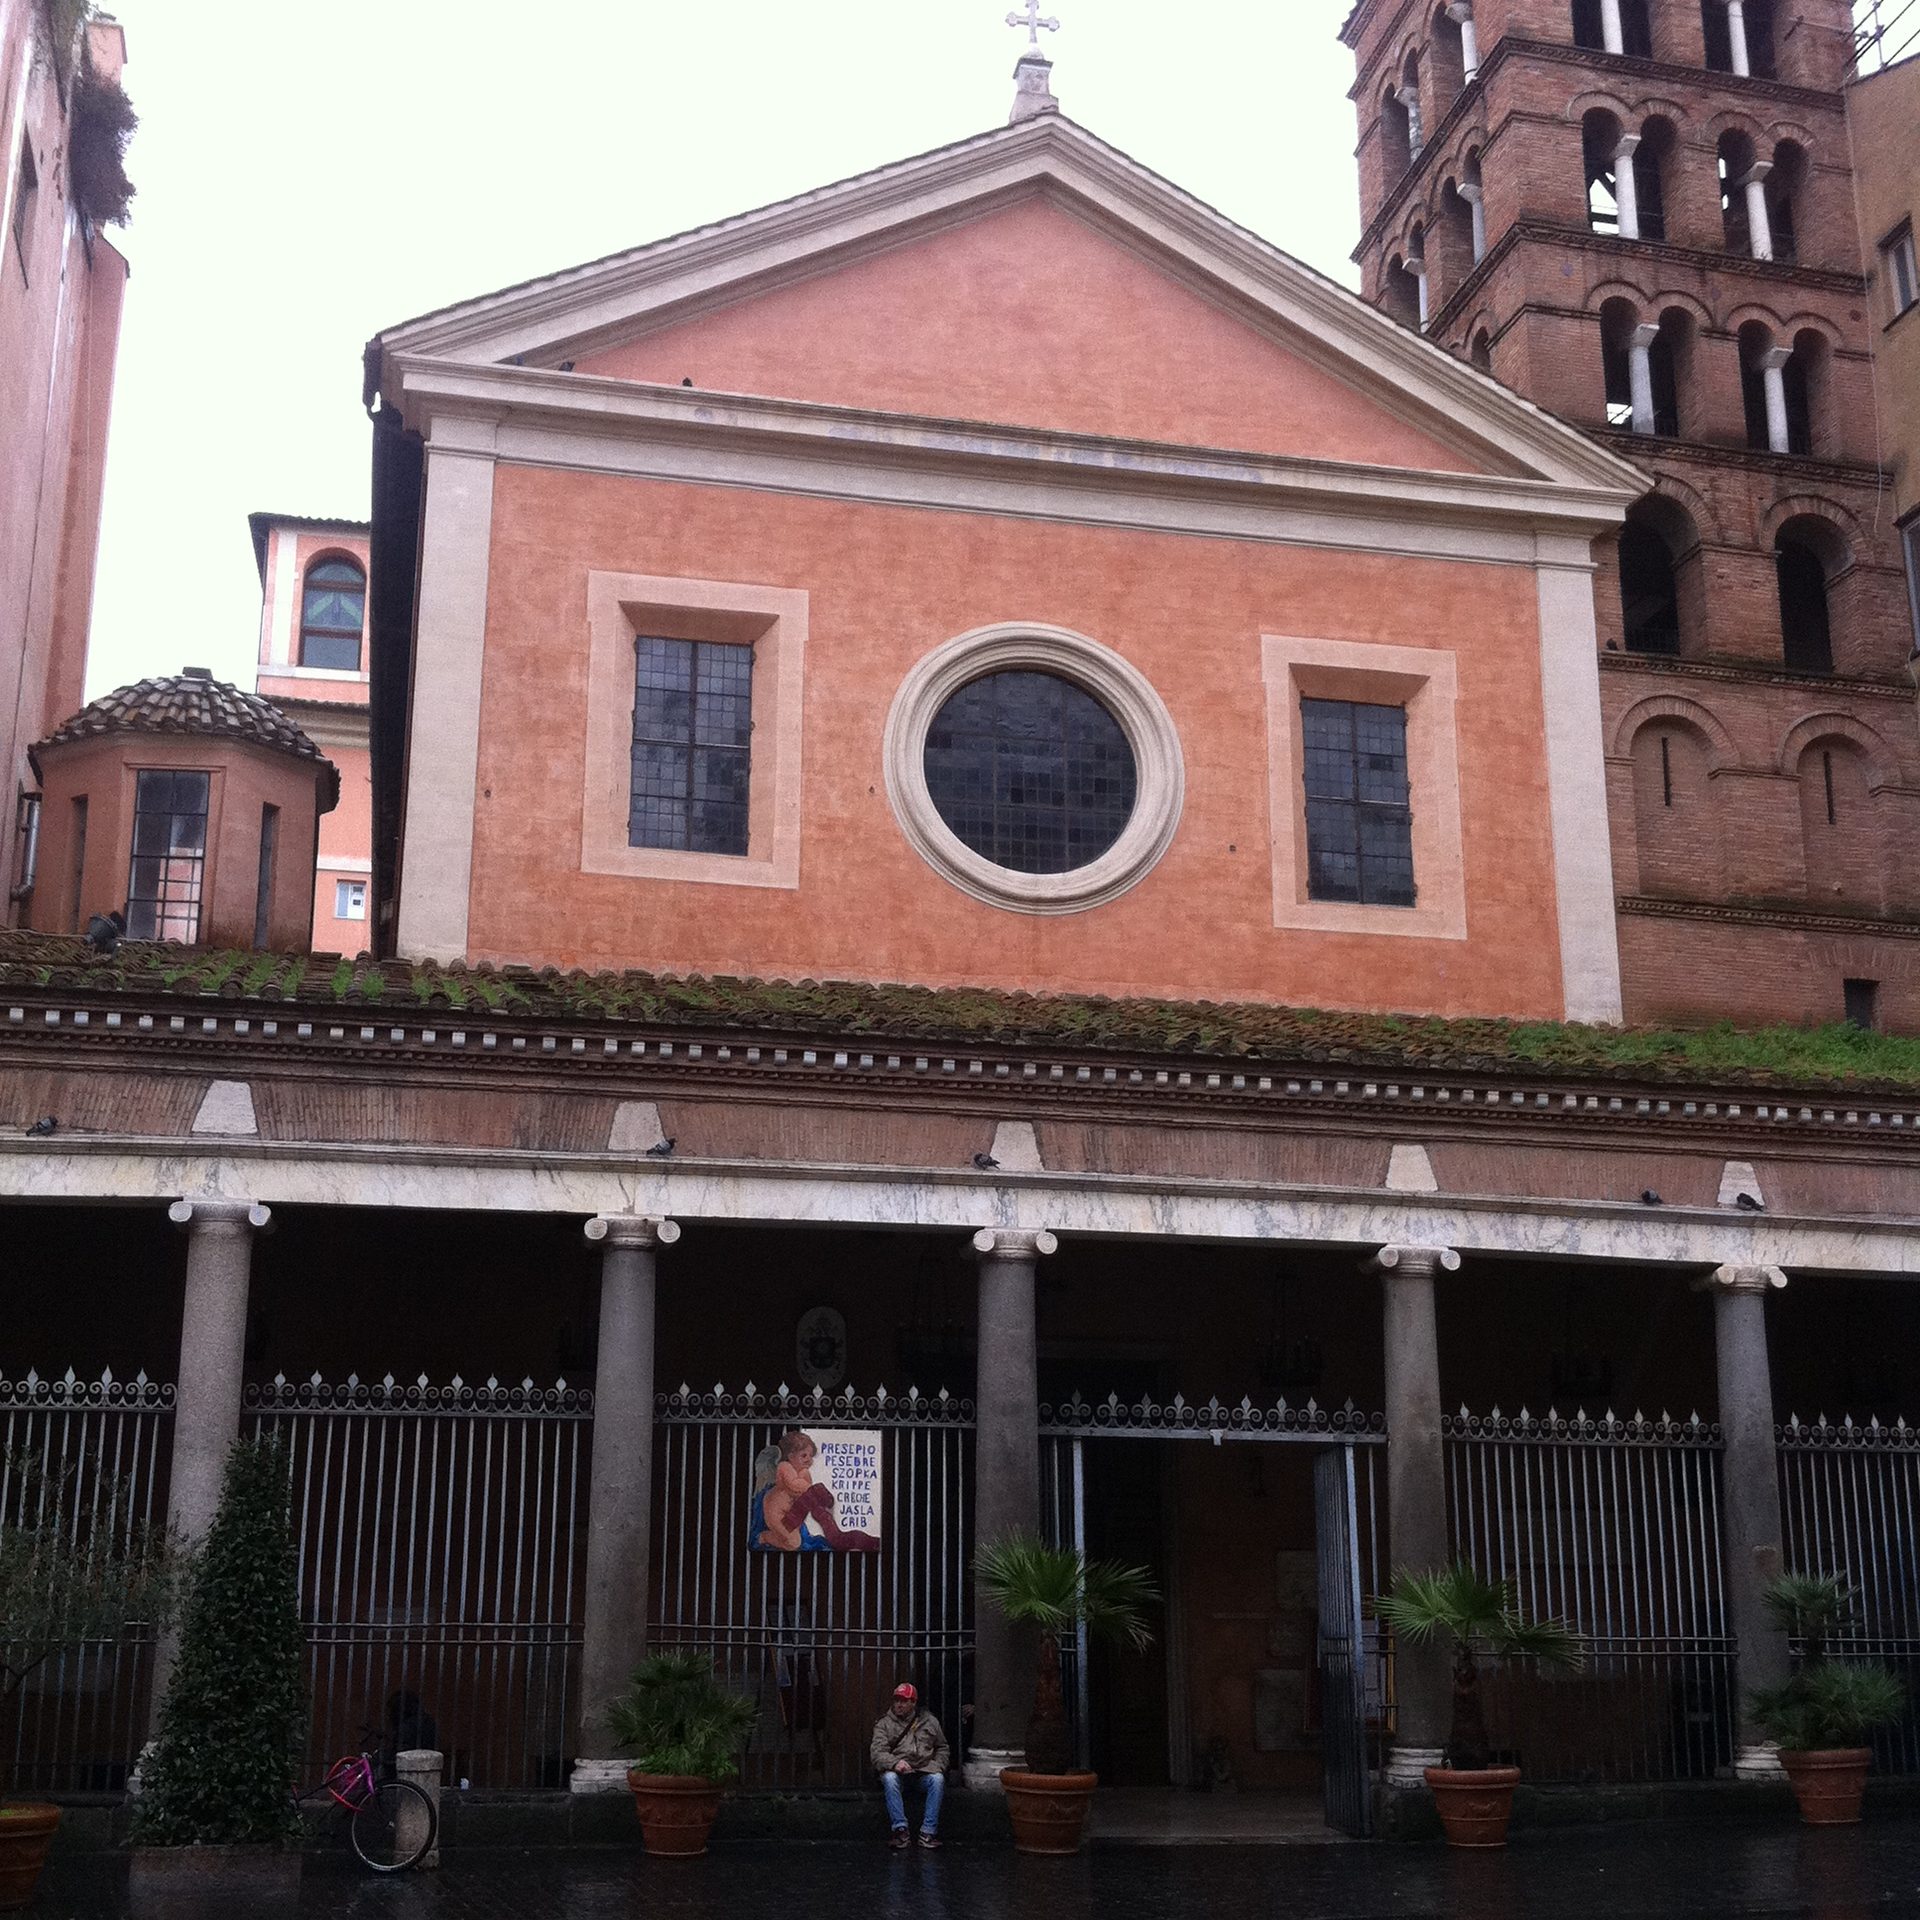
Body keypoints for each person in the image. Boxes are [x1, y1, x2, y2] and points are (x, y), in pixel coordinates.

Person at [870, 1681, 948, 1848]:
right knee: (890, 1779)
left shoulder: (930, 1721)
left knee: (938, 1780)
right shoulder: (884, 1724)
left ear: (913, 1702)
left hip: (924, 1771)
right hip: (898, 1773)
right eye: (897, 1700)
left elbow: (942, 1747)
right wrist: (895, 1763)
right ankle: (900, 1831)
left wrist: (937, 1766)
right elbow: (877, 1753)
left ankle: (928, 1832)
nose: (899, 1704)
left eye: (904, 1701)